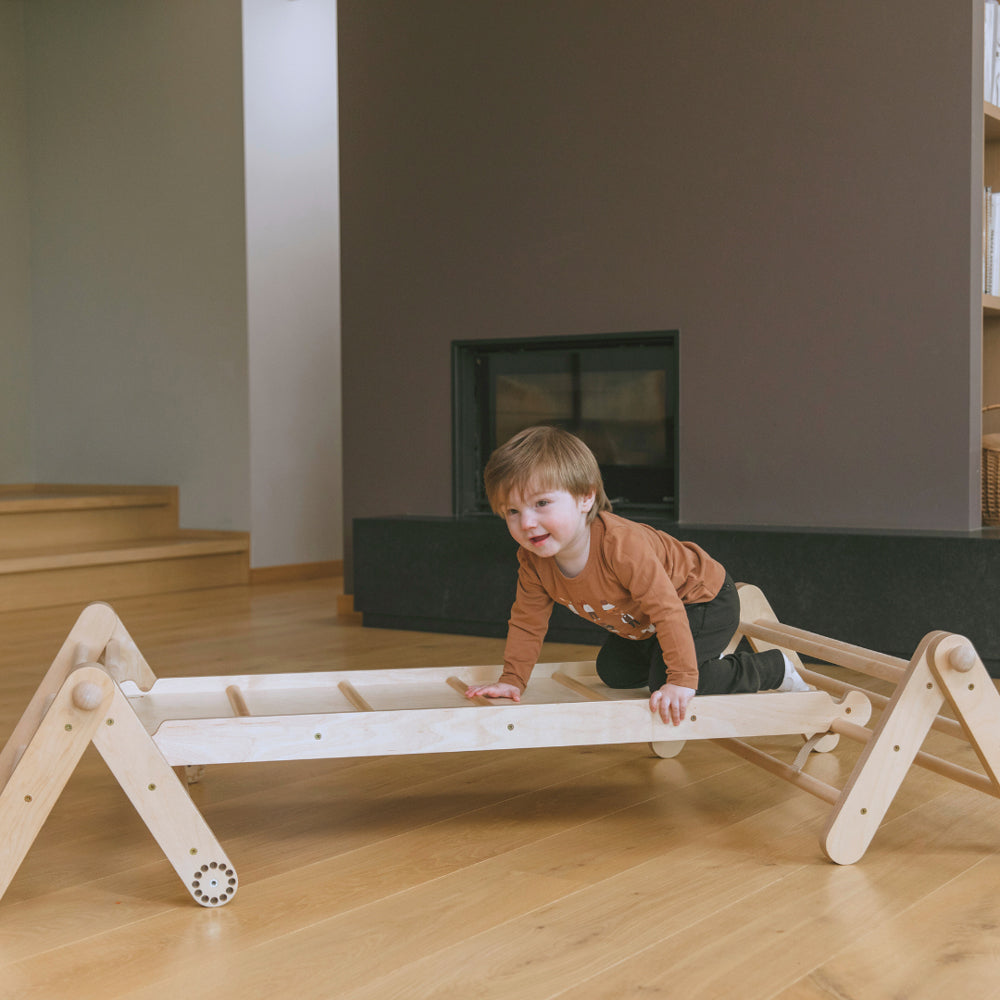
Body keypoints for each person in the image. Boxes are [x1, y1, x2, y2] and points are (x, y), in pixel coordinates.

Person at [465, 425, 809, 725]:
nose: (526, 523)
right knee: (614, 673)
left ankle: (772, 668)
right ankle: (671, 656)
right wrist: (513, 679)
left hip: (699, 600)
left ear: (585, 497)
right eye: (512, 511)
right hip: (646, 624)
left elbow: (666, 608)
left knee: (671, 682)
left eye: (541, 504)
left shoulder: (620, 545)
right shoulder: (532, 561)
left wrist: (681, 679)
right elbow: (527, 623)